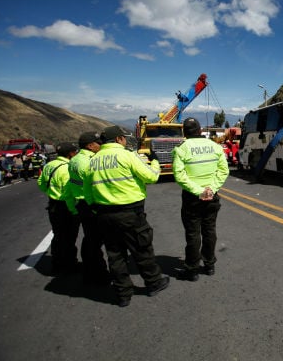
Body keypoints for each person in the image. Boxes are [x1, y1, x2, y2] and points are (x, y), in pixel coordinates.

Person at [83, 125, 169, 307]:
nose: (124, 140)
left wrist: (96, 208)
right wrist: (154, 161)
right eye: (123, 138)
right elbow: (151, 177)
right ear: (118, 140)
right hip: (130, 213)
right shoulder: (127, 155)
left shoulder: (93, 161)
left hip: (104, 215)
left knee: (115, 255)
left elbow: (87, 191)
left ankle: (123, 294)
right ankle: (154, 283)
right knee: (142, 248)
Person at [172, 118, 229, 282]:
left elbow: (179, 176)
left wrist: (199, 191)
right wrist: (211, 189)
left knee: (192, 234)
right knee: (209, 230)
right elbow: (223, 171)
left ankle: (192, 270)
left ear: (184, 132)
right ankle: (210, 265)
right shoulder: (215, 146)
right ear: (200, 130)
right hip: (212, 196)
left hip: (192, 198)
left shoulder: (181, 149)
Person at [67, 131, 110, 285]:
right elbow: (93, 184)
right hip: (89, 205)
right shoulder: (87, 162)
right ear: (90, 145)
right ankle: (96, 275)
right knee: (94, 242)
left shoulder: (76, 159)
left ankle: (92, 272)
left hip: (82, 204)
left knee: (91, 240)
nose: (101, 145)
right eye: (98, 143)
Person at [37, 142, 80, 274]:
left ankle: (57, 263)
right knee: (69, 237)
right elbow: (68, 193)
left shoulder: (49, 165)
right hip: (66, 207)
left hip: (53, 205)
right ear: (71, 154)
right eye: (75, 152)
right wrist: (74, 210)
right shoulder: (67, 168)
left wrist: (51, 193)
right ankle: (69, 265)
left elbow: (41, 183)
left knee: (58, 235)